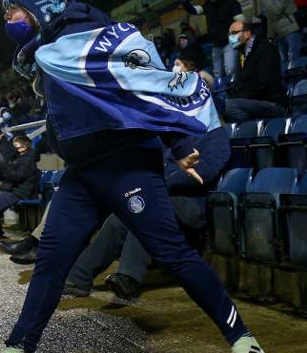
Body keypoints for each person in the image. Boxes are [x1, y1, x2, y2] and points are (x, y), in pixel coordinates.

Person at [0, 0, 265, 353]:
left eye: (14, 9)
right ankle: (18, 352)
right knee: (51, 260)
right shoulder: (47, 46)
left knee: (172, 253)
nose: (10, 18)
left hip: (127, 164)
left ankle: (244, 341)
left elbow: (144, 85)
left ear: (37, 3)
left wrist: (177, 145)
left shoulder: (93, 30)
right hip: (83, 170)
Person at [63, 125, 229, 299]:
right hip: (159, 198)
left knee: (145, 209)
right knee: (118, 218)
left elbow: (207, 171)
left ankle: (128, 277)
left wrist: (160, 184)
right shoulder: (172, 132)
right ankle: (78, 278)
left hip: (192, 203)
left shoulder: (215, 133)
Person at [222, 19, 288, 123]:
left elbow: (263, 83)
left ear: (247, 33)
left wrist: (241, 98)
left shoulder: (265, 49)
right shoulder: (241, 54)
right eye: (229, 34)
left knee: (228, 106)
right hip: (252, 102)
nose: (230, 37)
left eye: (234, 33)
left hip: (271, 103)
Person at [179, 0, 244, 80]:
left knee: (230, 70)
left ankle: (234, 89)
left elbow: (241, 21)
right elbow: (194, 10)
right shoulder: (207, 5)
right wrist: (185, 2)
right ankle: (222, 93)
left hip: (230, 41)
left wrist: (239, 37)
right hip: (216, 44)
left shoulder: (231, 3)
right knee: (217, 72)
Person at [252, 0, 299, 72]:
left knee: (294, 64)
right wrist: (270, 36)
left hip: (291, 31)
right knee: (283, 65)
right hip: (280, 34)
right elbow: (270, 17)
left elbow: (276, 10)